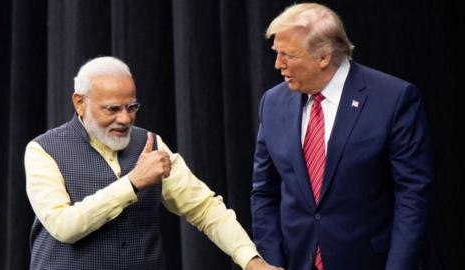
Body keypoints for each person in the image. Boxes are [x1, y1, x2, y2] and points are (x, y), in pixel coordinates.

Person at [25, 56, 281, 270]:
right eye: (113, 109)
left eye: (132, 107)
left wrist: (250, 259)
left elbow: (204, 208)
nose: (125, 118)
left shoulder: (150, 143)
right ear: (80, 102)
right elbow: (64, 226)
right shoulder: (43, 150)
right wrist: (133, 183)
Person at [251, 3, 436, 270]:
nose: (278, 64)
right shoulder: (272, 102)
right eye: (276, 53)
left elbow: (413, 196)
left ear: (323, 57)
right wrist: (272, 263)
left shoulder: (393, 99)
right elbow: (264, 193)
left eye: (287, 55)